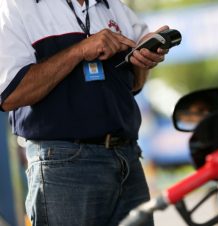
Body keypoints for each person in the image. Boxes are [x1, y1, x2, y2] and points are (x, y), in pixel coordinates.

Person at [0, 0, 169, 225]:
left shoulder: (113, 6)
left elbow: (134, 84)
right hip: (64, 164)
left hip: (127, 157)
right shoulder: (16, 6)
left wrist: (143, 59)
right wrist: (80, 50)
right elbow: (10, 94)